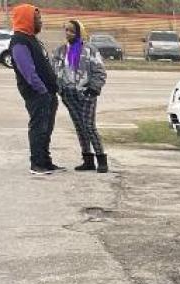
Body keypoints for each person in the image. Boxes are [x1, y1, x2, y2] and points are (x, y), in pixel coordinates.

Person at [8, 4, 61, 175]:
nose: (40, 22)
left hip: (48, 93)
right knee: (39, 127)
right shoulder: (19, 41)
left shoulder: (31, 38)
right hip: (37, 94)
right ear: (26, 19)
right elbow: (28, 71)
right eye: (37, 19)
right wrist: (42, 90)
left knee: (47, 128)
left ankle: (46, 161)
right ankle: (37, 164)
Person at [53, 19, 108, 173]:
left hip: (86, 93)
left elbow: (100, 71)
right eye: (66, 30)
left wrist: (94, 88)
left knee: (89, 126)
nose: (68, 33)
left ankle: (101, 158)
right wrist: (60, 89)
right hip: (68, 94)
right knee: (79, 127)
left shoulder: (90, 50)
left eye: (72, 31)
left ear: (79, 32)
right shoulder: (60, 51)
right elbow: (55, 71)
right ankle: (87, 159)